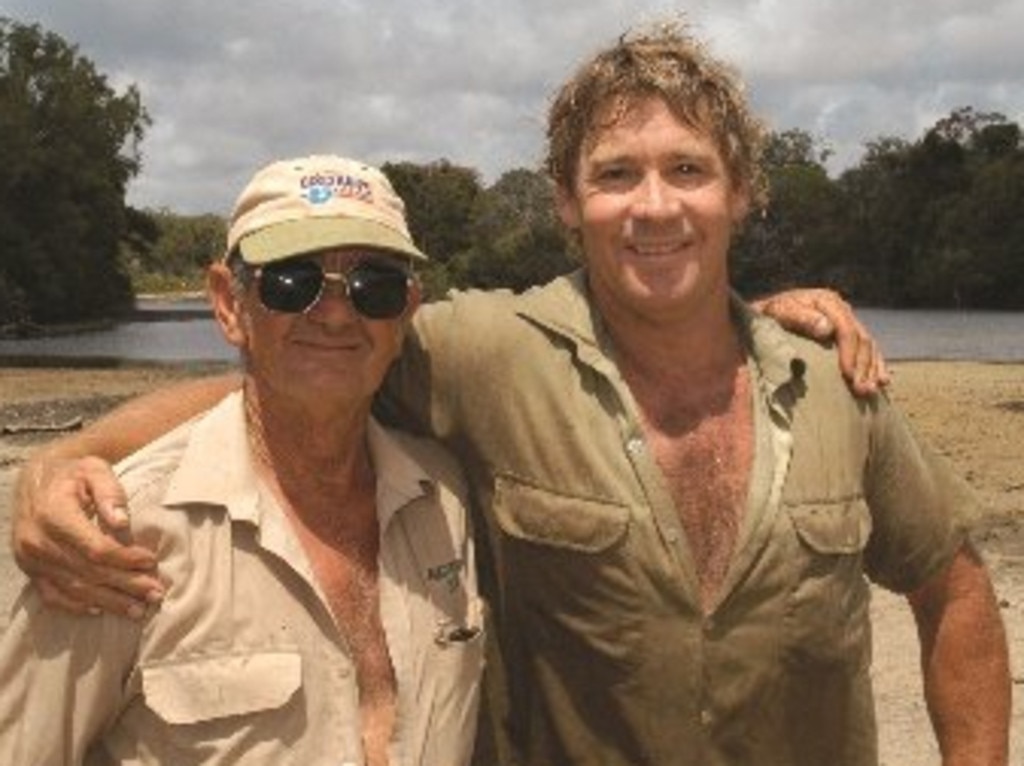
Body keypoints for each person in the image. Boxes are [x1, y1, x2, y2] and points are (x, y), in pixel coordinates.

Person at [13, 19, 1007, 766]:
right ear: (567, 201)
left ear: (741, 189)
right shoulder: (490, 351)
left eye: (687, 170)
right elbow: (303, 374)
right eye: (616, 173)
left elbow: (953, 585)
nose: (653, 206)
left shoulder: (831, 377)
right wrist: (77, 456)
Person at [0, 155, 484, 765]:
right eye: (292, 280)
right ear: (229, 304)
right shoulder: (114, 541)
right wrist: (62, 458)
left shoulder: (446, 500)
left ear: (408, 309)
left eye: (374, 285)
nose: (335, 313)